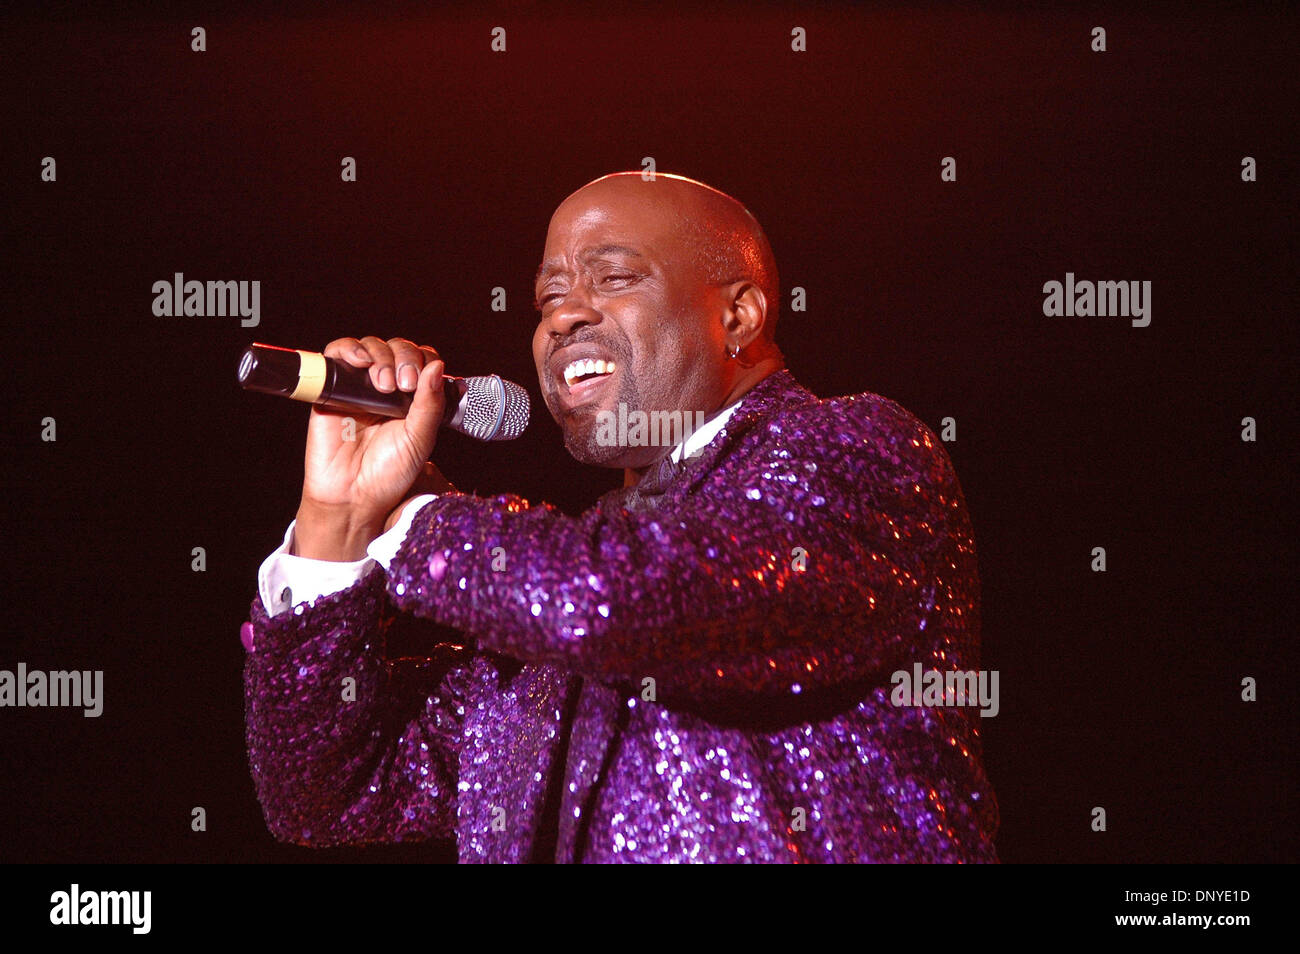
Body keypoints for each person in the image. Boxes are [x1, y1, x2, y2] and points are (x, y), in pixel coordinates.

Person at [241, 171, 1000, 863]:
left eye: (614, 277)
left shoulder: (858, 448)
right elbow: (329, 794)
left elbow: (623, 599)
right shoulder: (545, 638)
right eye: (549, 296)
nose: (564, 315)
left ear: (738, 315)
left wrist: (411, 518)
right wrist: (336, 528)